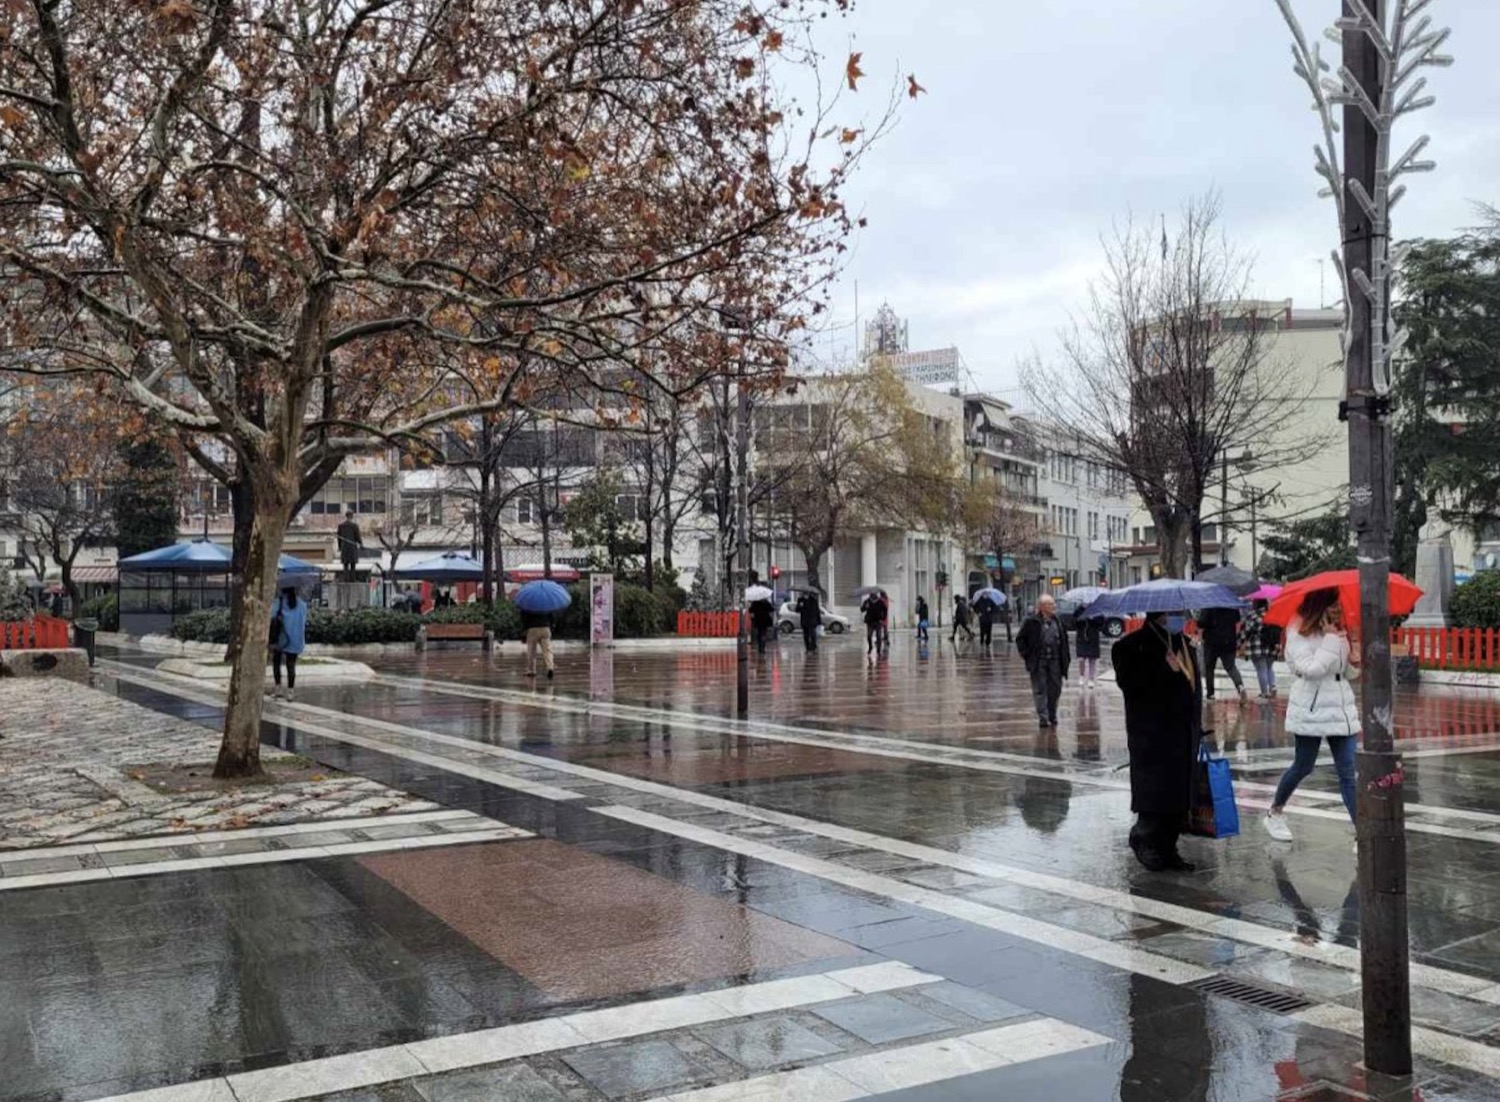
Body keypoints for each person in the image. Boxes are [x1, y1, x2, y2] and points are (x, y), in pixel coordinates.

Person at [1264, 588, 1359, 843]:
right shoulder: (1297, 630)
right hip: (1312, 708)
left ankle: (1362, 832)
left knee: (1349, 772)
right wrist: (1331, 640)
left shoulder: (1336, 629)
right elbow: (1311, 669)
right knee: (1303, 765)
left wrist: (1354, 663)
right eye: (1333, 604)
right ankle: (1275, 811)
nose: (1338, 609)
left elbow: (1341, 671)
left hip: (1341, 708)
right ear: (1319, 605)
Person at [1111, 609, 1202, 872]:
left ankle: (1168, 847)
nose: (1180, 618)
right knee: (1156, 792)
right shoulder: (1130, 646)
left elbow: (1192, 688)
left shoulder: (1185, 644)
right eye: (1175, 613)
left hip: (1183, 731)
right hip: (1152, 733)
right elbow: (1130, 684)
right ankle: (1144, 839)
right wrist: (1164, 669)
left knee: (1178, 795)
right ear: (1159, 614)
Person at [1017, 595, 1070, 728]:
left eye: (1053, 604)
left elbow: (1064, 641)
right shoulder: (1031, 622)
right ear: (1042, 607)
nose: (1053, 606)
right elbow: (1020, 639)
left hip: (1055, 660)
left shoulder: (1058, 621)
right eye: (1050, 604)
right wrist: (1025, 654)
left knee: (1055, 689)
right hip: (1039, 661)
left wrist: (1066, 659)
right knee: (1040, 689)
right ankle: (1043, 717)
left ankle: (1052, 714)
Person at [1198, 605, 1248, 704]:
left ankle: (1210, 694)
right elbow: (1238, 622)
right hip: (1229, 641)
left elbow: (1202, 623)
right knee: (1231, 667)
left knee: (1209, 668)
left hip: (1211, 642)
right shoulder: (1231, 605)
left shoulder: (1209, 605)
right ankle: (1240, 686)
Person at [268, 586, 308, 701]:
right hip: (296, 639)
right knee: (291, 664)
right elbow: (304, 621)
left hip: (281, 638)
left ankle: (278, 689)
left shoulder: (278, 602)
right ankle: (290, 692)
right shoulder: (302, 604)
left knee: (276, 662)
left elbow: (271, 617)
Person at [1240, 598, 1281, 699]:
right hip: (1271, 646)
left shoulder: (1253, 615)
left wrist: (1240, 642)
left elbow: (1246, 630)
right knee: (1269, 667)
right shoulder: (1272, 614)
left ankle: (1264, 692)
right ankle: (1273, 687)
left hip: (1257, 645)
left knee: (1261, 668)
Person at [521, 607, 555, 680]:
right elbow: (551, 616)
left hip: (533, 628)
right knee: (547, 650)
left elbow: (525, 617)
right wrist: (551, 625)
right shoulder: (546, 604)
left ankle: (531, 670)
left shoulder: (529, 604)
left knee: (531, 650)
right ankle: (550, 667)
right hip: (545, 627)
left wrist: (524, 629)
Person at [1075, 614, 1103, 689]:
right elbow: (1074, 622)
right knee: (1081, 659)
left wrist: (1092, 619)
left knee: (1092, 660)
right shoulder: (1080, 611)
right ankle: (1081, 675)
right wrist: (1082, 619)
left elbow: (1101, 623)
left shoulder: (1096, 612)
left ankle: (1091, 679)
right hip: (1081, 638)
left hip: (1093, 638)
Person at [336, 510, 363, 582]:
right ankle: (352, 580)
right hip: (352, 548)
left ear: (346, 516)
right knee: (353, 565)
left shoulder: (341, 526)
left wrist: (339, 547)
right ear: (352, 516)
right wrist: (361, 545)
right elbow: (358, 537)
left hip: (344, 548)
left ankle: (346, 580)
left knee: (345, 565)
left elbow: (339, 539)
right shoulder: (354, 526)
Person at [795, 589, 821, 653]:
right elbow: (797, 610)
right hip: (805, 621)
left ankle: (813, 647)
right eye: (804, 593)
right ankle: (808, 648)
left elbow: (817, 611)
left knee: (813, 635)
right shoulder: (800, 600)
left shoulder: (813, 600)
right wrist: (800, 606)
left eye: (807, 593)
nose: (805, 594)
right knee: (806, 635)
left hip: (812, 620)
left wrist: (819, 621)